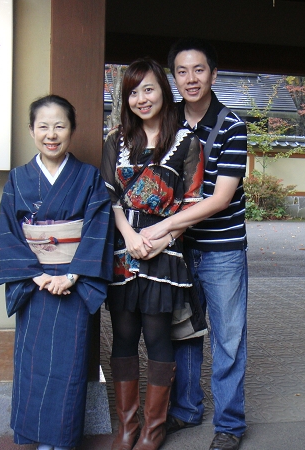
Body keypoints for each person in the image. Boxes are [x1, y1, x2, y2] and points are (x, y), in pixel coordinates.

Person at [140, 38, 248, 450]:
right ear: (174, 77)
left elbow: (220, 198)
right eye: (182, 71)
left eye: (199, 70)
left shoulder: (232, 125)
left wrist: (165, 225)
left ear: (214, 74)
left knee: (228, 336)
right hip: (178, 250)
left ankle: (230, 424)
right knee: (184, 331)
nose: (190, 79)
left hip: (221, 250)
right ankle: (185, 409)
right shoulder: (168, 125)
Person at [0, 94, 114, 450]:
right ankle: (36, 436)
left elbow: (97, 228)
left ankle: (61, 440)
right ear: (31, 130)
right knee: (32, 366)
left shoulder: (88, 178)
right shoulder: (18, 180)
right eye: (43, 126)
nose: (51, 134)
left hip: (73, 284)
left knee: (69, 366)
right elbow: (7, 233)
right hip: (35, 284)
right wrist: (37, 275)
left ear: (72, 131)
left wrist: (73, 276)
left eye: (60, 125)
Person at [100, 58, 204, 450]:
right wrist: (128, 235)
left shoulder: (186, 142)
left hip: (165, 250)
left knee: (158, 336)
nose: (141, 98)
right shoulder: (116, 141)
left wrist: (160, 239)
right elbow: (107, 194)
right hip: (123, 250)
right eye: (133, 92)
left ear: (163, 90)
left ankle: (153, 429)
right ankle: (127, 427)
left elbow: (192, 201)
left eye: (148, 89)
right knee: (124, 335)